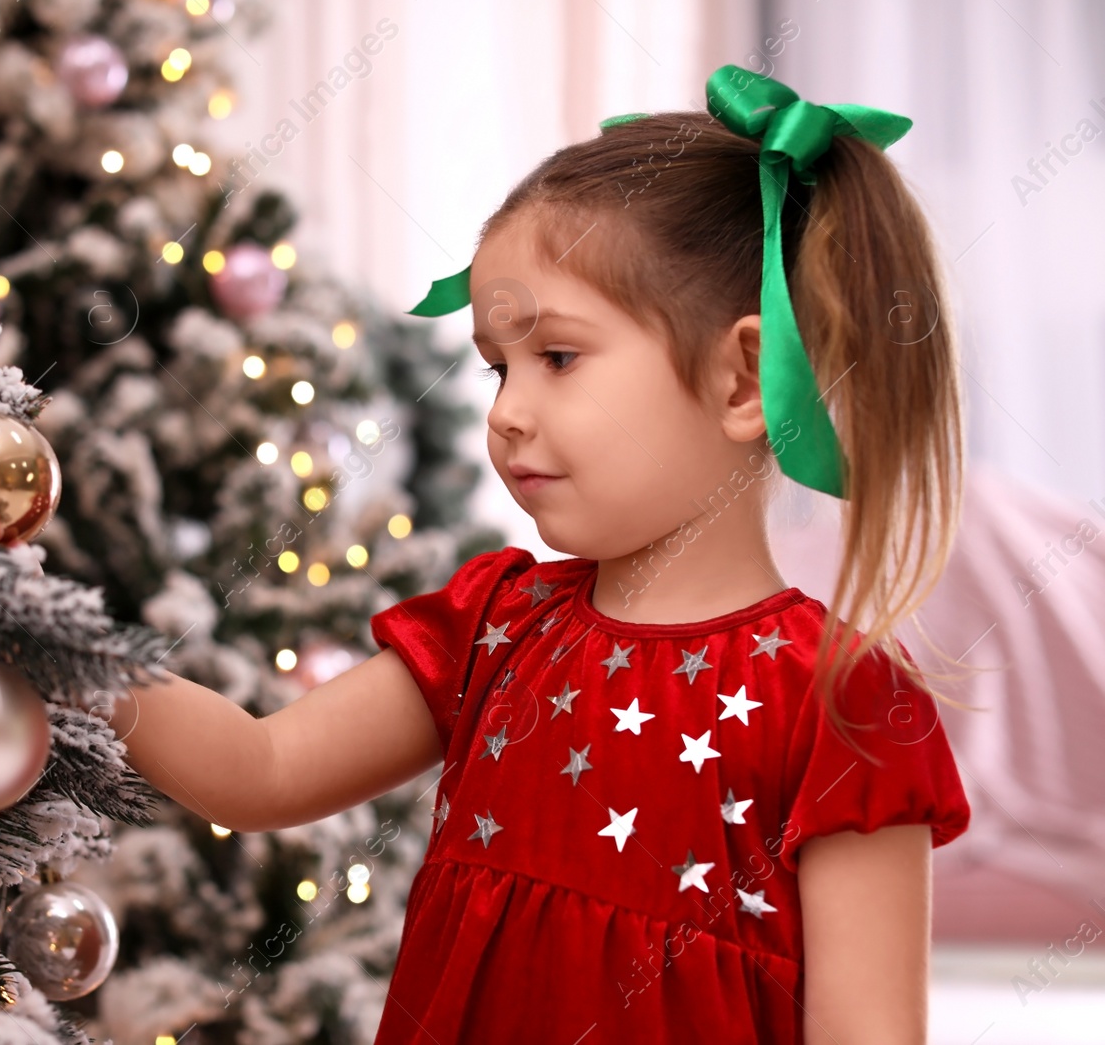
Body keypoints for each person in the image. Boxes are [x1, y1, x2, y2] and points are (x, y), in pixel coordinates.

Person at [104, 64, 973, 1043]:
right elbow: (260, 769)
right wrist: (66, 656)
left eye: (556, 357)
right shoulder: (496, 624)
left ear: (742, 378)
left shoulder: (837, 702)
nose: (507, 412)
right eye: (496, 367)